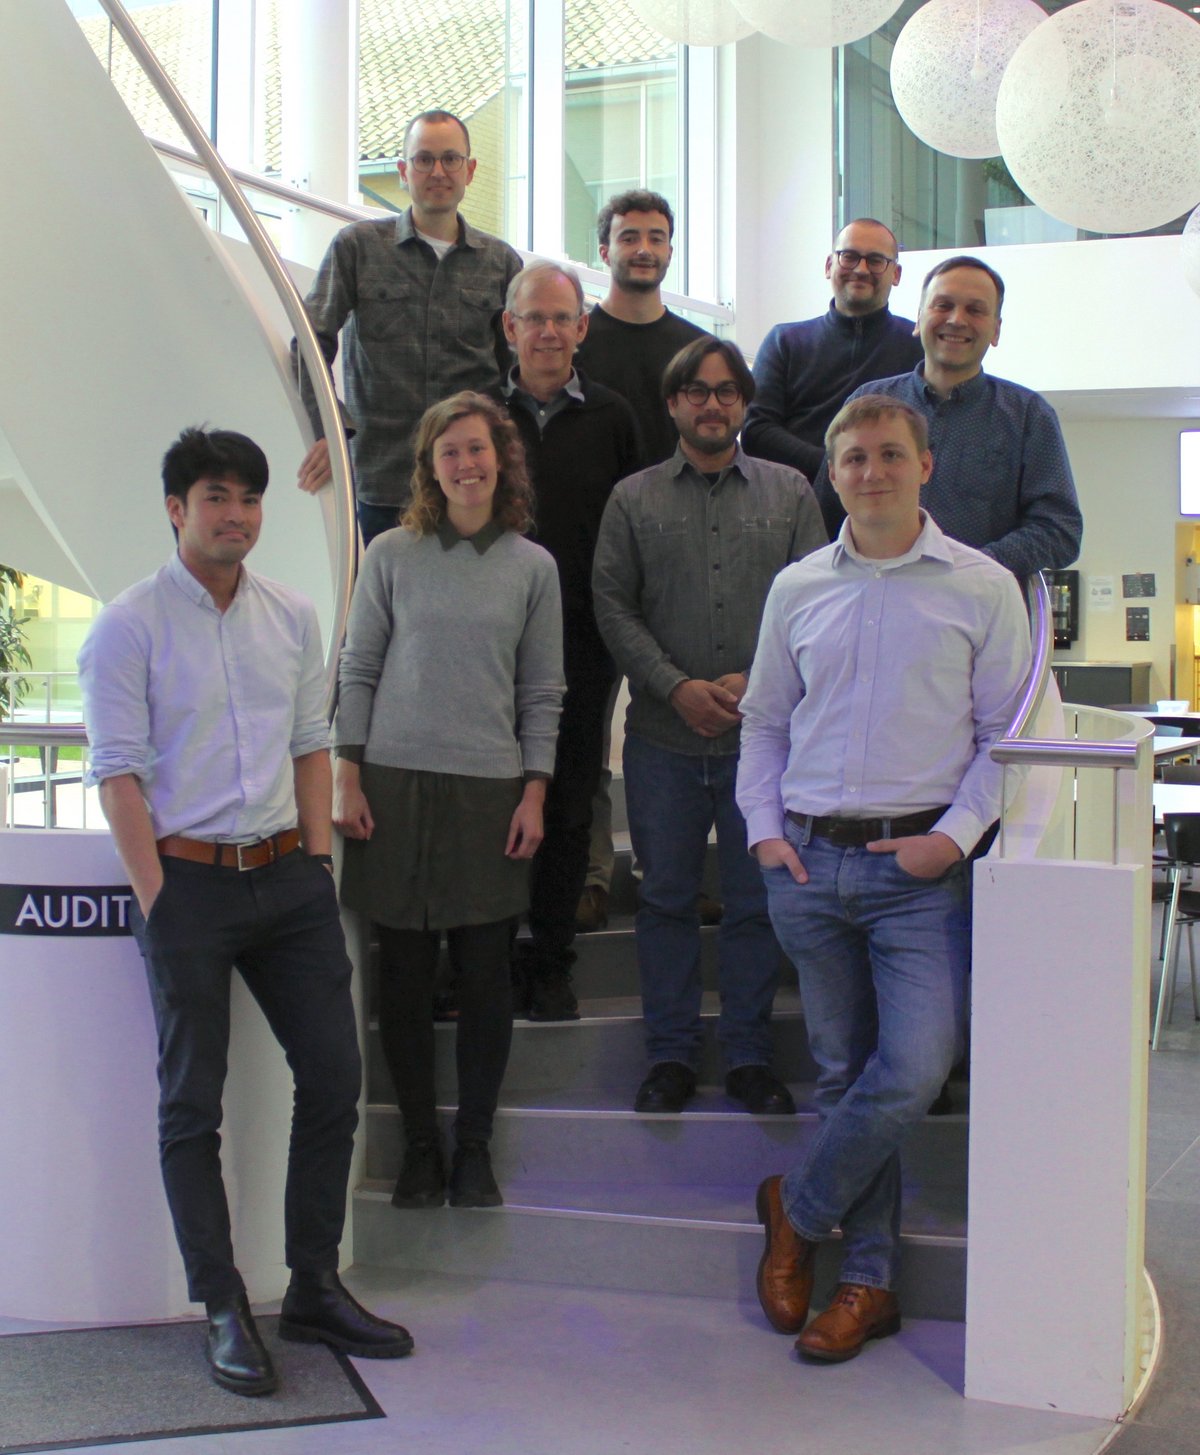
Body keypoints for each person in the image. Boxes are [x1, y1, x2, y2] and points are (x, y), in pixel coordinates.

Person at [78, 428, 412, 1399]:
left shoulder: (291, 615)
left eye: (250, 499)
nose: (236, 515)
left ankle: (311, 1283)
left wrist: (315, 860)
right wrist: (159, 899)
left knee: (335, 1075)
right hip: (188, 890)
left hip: (288, 883)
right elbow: (120, 776)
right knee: (193, 1104)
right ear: (176, 508)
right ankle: (220, 1303)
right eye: (216, 497)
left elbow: (312, 742)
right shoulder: (128, 626)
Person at [737, 395, 1030, 1362]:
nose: (872, 471)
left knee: (910, 1068)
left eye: (891, 453)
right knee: (842, 1073)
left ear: (926, 466)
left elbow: (1007, 740)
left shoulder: (983, 587)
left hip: (919, 872)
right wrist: (763, 832)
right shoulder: (797, 588)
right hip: (809, 863)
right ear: (833, 472)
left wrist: (953, 838)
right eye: (854, 457)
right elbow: (767, 721)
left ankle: (798, 1208)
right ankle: (867, 1285)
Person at [333, 392, 563, 1210]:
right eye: (449, 453)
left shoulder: (534, 567)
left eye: (478, 449)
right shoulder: (392, 553)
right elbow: (358, 668)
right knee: (399, 977)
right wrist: (347, 772)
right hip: (392, 785)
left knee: (484, 977)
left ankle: (474, 1147)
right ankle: (421, 1148)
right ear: (429, 466)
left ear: (502, 457)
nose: (466, 465)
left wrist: (534, 792)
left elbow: (542, 692)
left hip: (488, 788)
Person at [593, 337, 826, 1115]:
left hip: (763, 745)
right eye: (697, 390)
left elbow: (818, 602)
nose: (713, 404)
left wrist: (755, 683)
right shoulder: (632, 499)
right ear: (673, 403)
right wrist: (675, 685)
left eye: (727, 391)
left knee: (757, 901)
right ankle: (670, 1055)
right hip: (662, 739)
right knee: (663, 900)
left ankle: (751, 1057)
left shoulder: (792, 493)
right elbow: (612, 606)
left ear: (745, 403)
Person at [495, 260, 641, 1020]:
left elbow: (629, 538)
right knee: (491, 799)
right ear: (508, 326)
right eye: (533, 317)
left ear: (583, 328)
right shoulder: (478, 416)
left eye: (562, 317)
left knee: (571, 800)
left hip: (582, 644)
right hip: (486, 648)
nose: (548, 331)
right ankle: (485, 961)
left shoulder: (615, 419)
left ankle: (550, 958)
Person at [574, 189, 710, 933]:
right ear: (606, 249)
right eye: (630, 236)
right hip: (588, 570)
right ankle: (591, 875)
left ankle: (673, 875)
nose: (645, 248)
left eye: (657, 236)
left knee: (671, 737)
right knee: (584, 733)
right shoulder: (577, 342)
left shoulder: (691, 351)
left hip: (676, 571)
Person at [294, 109, 524, 545]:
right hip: (382, 478)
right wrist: (330, 428)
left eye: (451, 159)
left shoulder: (501, 263)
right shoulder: (358, 248)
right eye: (424, 160)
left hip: (470, 483)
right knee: (382, 607)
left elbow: (514, 374)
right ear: (403, 171)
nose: (438, 171)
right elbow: (309, 340)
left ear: (470, 170)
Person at [811, 255, 1084, 575]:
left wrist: (969, 569)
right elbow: (824, 513)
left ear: (995, 331)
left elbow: (1060, 530)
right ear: (917, 319)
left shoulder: (1029, 416)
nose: (956, 319)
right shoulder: (867, 403)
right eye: (942, 305)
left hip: (980, 613)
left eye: (975, 310)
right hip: (872, 602)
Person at [742, 218, 922, 485]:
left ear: (896, 274)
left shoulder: (917, 345)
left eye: (875, 260)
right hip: (796, 504)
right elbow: (755, 432)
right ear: (829, 266)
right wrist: (837, 468)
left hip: (887, 502)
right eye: (849, 257)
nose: (861, 269)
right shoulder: (785, 341)